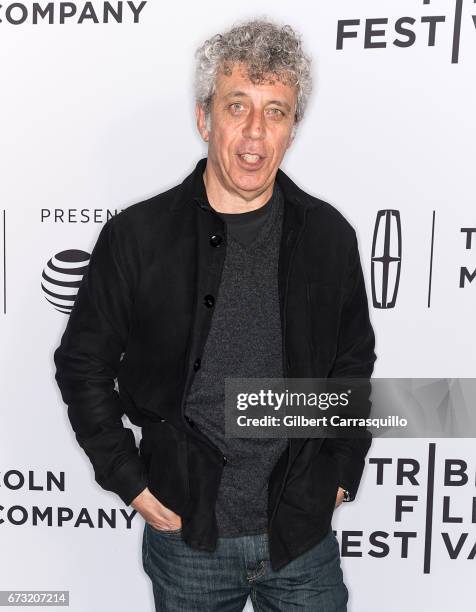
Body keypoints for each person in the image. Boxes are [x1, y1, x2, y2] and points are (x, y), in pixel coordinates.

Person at [53, 17, 376, 612]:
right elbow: (82, 366)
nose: (255, 132)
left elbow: (352, 364)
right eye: (238, 106)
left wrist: (341, 471)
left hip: (301, 536)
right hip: (187, 538)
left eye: (276, 111)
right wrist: (128, 480)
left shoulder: (329, 236)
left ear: (292, 128)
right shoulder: (137, 237)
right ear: (205, 118)